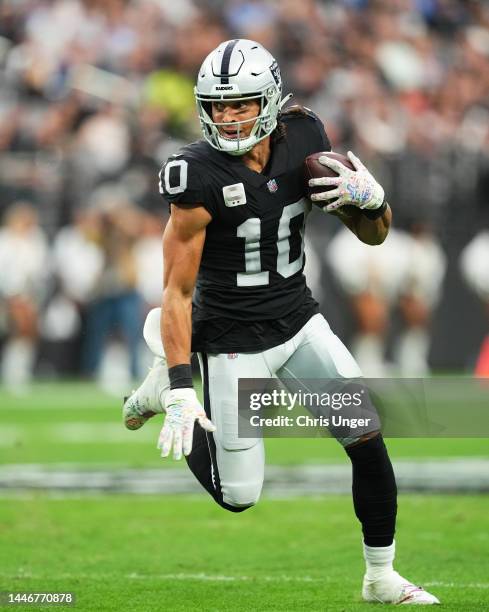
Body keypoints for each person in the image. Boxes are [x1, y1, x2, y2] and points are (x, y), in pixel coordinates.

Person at [123, 39, 439, 605]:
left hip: (298, 323)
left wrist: (371, 201)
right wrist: (177, 389)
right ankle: (163, 383)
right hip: (229, 340)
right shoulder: (193, 174)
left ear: (269, 100)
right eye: (217, 106)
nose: (227, 116)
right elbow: (175, 291)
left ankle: (380, 577)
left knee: (367, 437)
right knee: (238, 496)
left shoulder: (308, 140)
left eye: (240, 104)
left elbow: (376, 233)